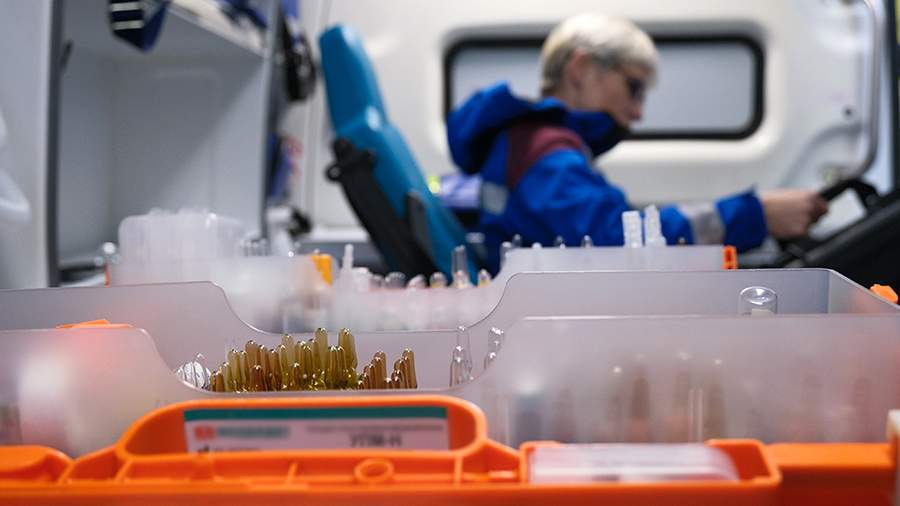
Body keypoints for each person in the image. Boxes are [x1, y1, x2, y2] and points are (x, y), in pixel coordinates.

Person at [446, 13, 828, 273]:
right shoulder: (548, 157)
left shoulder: (534, 143)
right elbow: (618, 243)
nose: (638, 112)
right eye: (634, 88)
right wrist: (755, 215)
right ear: (580, 69)